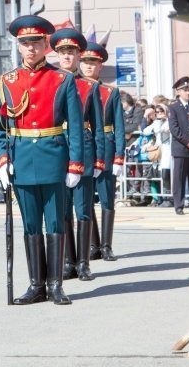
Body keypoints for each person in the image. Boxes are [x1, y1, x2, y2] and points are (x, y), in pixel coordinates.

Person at [0, 15, 84, 306]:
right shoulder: (7, 81)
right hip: (21, 160)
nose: (30, 48)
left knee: (55, 222)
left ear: (47, 45)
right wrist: (2, 159)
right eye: (25, 43)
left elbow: (77, 126)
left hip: (54, 156)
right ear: (18, 47)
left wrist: (75, 164)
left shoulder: (62, 79)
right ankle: (36, 285)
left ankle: (56, 285)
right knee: (31, 224)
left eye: (36, 43)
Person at [50, 29, 105, 280]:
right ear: (57, 55)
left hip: (82, 150)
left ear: (78, 56)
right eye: (62, 52)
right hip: (56, 149)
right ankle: (68, 261)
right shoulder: (51, 82)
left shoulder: (88, 87)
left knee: (82, 209)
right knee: (62, 210)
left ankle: (83, 263)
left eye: (71, 52)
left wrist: (99, 159)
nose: (67, 57)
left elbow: (98, 127)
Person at [79, 42, 125, 261]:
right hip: (86, 147)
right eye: (85, 62)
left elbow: (119, 126)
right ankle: (92, 244)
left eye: (93, 63)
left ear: (100, 66)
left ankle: (106, 245)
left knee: (107, 198)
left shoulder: (110, 92)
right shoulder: (75, 88)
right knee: (85, 199)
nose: (89, 67)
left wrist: (119, 155)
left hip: (106, 146)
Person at [168, 76, 189, 215]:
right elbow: (174, 129)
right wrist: (188, 142)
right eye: (184, 90)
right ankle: (179, 205)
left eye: (188, 89)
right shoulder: (173, 108)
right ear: (178, 92)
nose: (187, 92)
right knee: (179, 178)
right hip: (181, 148)